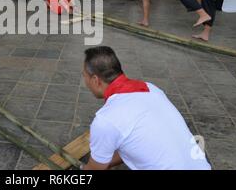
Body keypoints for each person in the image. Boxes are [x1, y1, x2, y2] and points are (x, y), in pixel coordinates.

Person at [81, 46, 211, 170]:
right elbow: (134, 140)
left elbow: (94, 169)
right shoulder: (151, 89)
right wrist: (105, 160)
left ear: (95, 80)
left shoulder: (106, 120)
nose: (85, 82)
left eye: (84, 76)